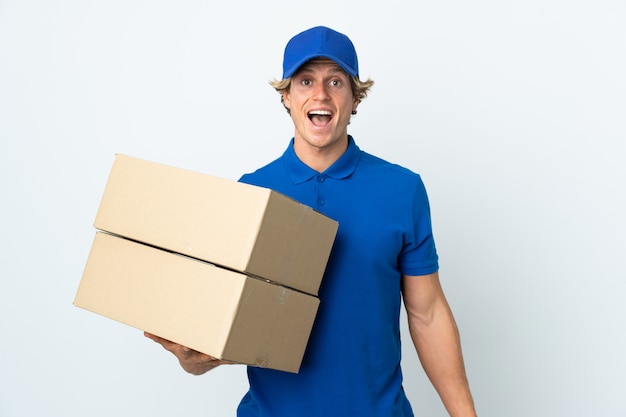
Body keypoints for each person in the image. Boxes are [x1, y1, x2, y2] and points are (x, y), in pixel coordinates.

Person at [145, 25, 477, 417]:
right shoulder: (251, 193)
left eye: (335, 81)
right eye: (306, 81)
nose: (321, 94)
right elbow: (223, 328)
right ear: (286, 96)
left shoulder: (402, 191)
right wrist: (193, 359)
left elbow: (428, 313)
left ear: (355, 98)